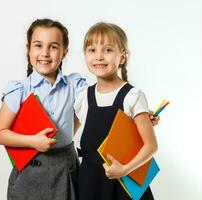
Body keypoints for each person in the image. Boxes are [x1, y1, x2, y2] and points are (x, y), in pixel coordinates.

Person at [0, 18, 86, 200]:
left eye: (53, 46)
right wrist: (33, 142)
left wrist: (139, 116)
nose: (45, 53)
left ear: (64, 52)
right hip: (29, 172)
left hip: (64, 169)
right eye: (38, 45)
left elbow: (94, 107)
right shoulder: (19, 90)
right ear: (28, 49)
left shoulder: (74, 85)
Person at [75, 22, 158, 200]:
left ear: (123, 56)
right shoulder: (83, 96)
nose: (99, 56)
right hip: (90, 184)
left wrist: (124, 169)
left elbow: (151, 145)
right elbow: (68, 133)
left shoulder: (132, 96)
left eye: (107, 50)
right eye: (92, 50)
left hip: (124, 186)